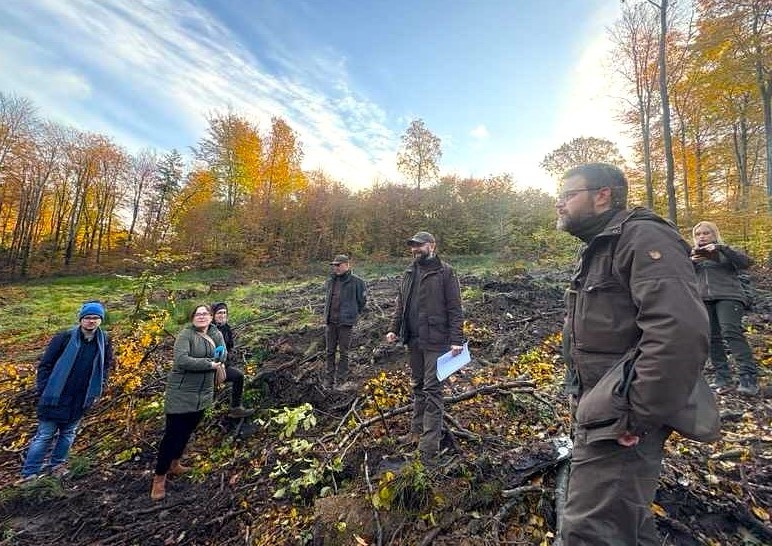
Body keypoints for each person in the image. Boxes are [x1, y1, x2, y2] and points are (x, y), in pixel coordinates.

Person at [556, 163, 719, 545]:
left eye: (567, 195)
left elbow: (679, 332)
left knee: (590, 530)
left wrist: (635, 414)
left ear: (602, 195)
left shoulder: (644, 237)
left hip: (620, 417)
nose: (559, 204)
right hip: (604, 408)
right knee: (622, 524)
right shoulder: (602, 246)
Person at [385, 231, 463, 463]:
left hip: (437, 341)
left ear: (432, 246)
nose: (415, 249)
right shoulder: (409, 273)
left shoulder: (446, 273)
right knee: (418, 385)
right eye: (413, 246)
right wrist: (394, 328)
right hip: (414, 340)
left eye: (419, 245)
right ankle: (415, 432)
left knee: (432, 390)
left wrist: (457, 339)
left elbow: (455, 309)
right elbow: (401, 304)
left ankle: (429, 447)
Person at [20, 301, 114, 480]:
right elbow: (46, 364)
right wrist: (44, 389)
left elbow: (106, 365)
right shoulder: (64, 337)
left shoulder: (105, 340)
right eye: (87, 318)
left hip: (81, 397)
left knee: (68, 434)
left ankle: (57, 466)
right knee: (45, 435)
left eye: (95, 318)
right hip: (55, 396)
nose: (91, 321)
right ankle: (30, 473)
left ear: (100, 320)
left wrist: (100, 386)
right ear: (81, 319)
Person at [151, 304, 227, 501]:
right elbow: (182, 360)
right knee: (172, 435)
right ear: (192, 317)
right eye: (198, 314)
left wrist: (220, 357)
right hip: (182, 392)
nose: (201, 317)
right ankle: (159, 478)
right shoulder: (186, 335)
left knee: (187, 431)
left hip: (203, 393)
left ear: (211, 317)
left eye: (205, 314)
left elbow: (223, 352)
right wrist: (210, 364)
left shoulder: (215, 333)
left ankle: (175, 464)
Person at [691, 221, 759, 396]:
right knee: (712, 338)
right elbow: (681, 276)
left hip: (729, 296)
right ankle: (723, 378)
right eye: (698, 234)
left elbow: (746, 263)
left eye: (706, 233)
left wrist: (721, 249)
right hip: (703, 299)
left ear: (714, 234)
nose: (702, 237)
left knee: (731, 332)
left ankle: (748, 377)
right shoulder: (692, 255)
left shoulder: (725, 251)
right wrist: (691, 262)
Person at [323, 254, 367, 389]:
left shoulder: (357, 282)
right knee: (329, 351)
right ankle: (329, 379)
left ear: (347, 265)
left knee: (344, 352)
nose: (336, 268)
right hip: (331, 321)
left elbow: (362, 301)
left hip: (346, 323)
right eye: (334, 265)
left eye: (338, 265)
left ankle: (341, 379)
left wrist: (351, 314)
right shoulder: (331, 281)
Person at [211, 302, 255, 417]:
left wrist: (226, 362)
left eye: (224, 312)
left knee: (238, 376)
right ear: (213, 315)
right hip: (208, 367)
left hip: (223, 365)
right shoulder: (209, 330)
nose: (222, 315)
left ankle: (236, 409)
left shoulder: (226, 328)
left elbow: (229, 347)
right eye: (219, 313)